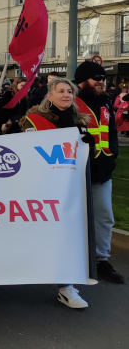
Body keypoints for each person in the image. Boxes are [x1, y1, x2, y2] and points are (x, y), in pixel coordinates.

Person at [19, 78, 92, 309]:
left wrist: (87, 145)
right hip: (41, 189)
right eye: (60, 91)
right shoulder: (34, 120)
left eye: (69, 91)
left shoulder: (80, 121)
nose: (66, 95)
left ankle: (66, 287)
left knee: (67, 236)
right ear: (49, 96)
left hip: (71, 190)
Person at [74, 61, 125, 284]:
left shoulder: (105, 103)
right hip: (73, 173)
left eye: (102, 78)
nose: (101, 82)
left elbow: (111, 132)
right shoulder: (69, 102)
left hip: (102, 171)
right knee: (71, 217)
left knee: (104, 217)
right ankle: (71, 258)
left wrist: (112, 154)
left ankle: (101, 259)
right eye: (96, 78)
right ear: (82, 81)